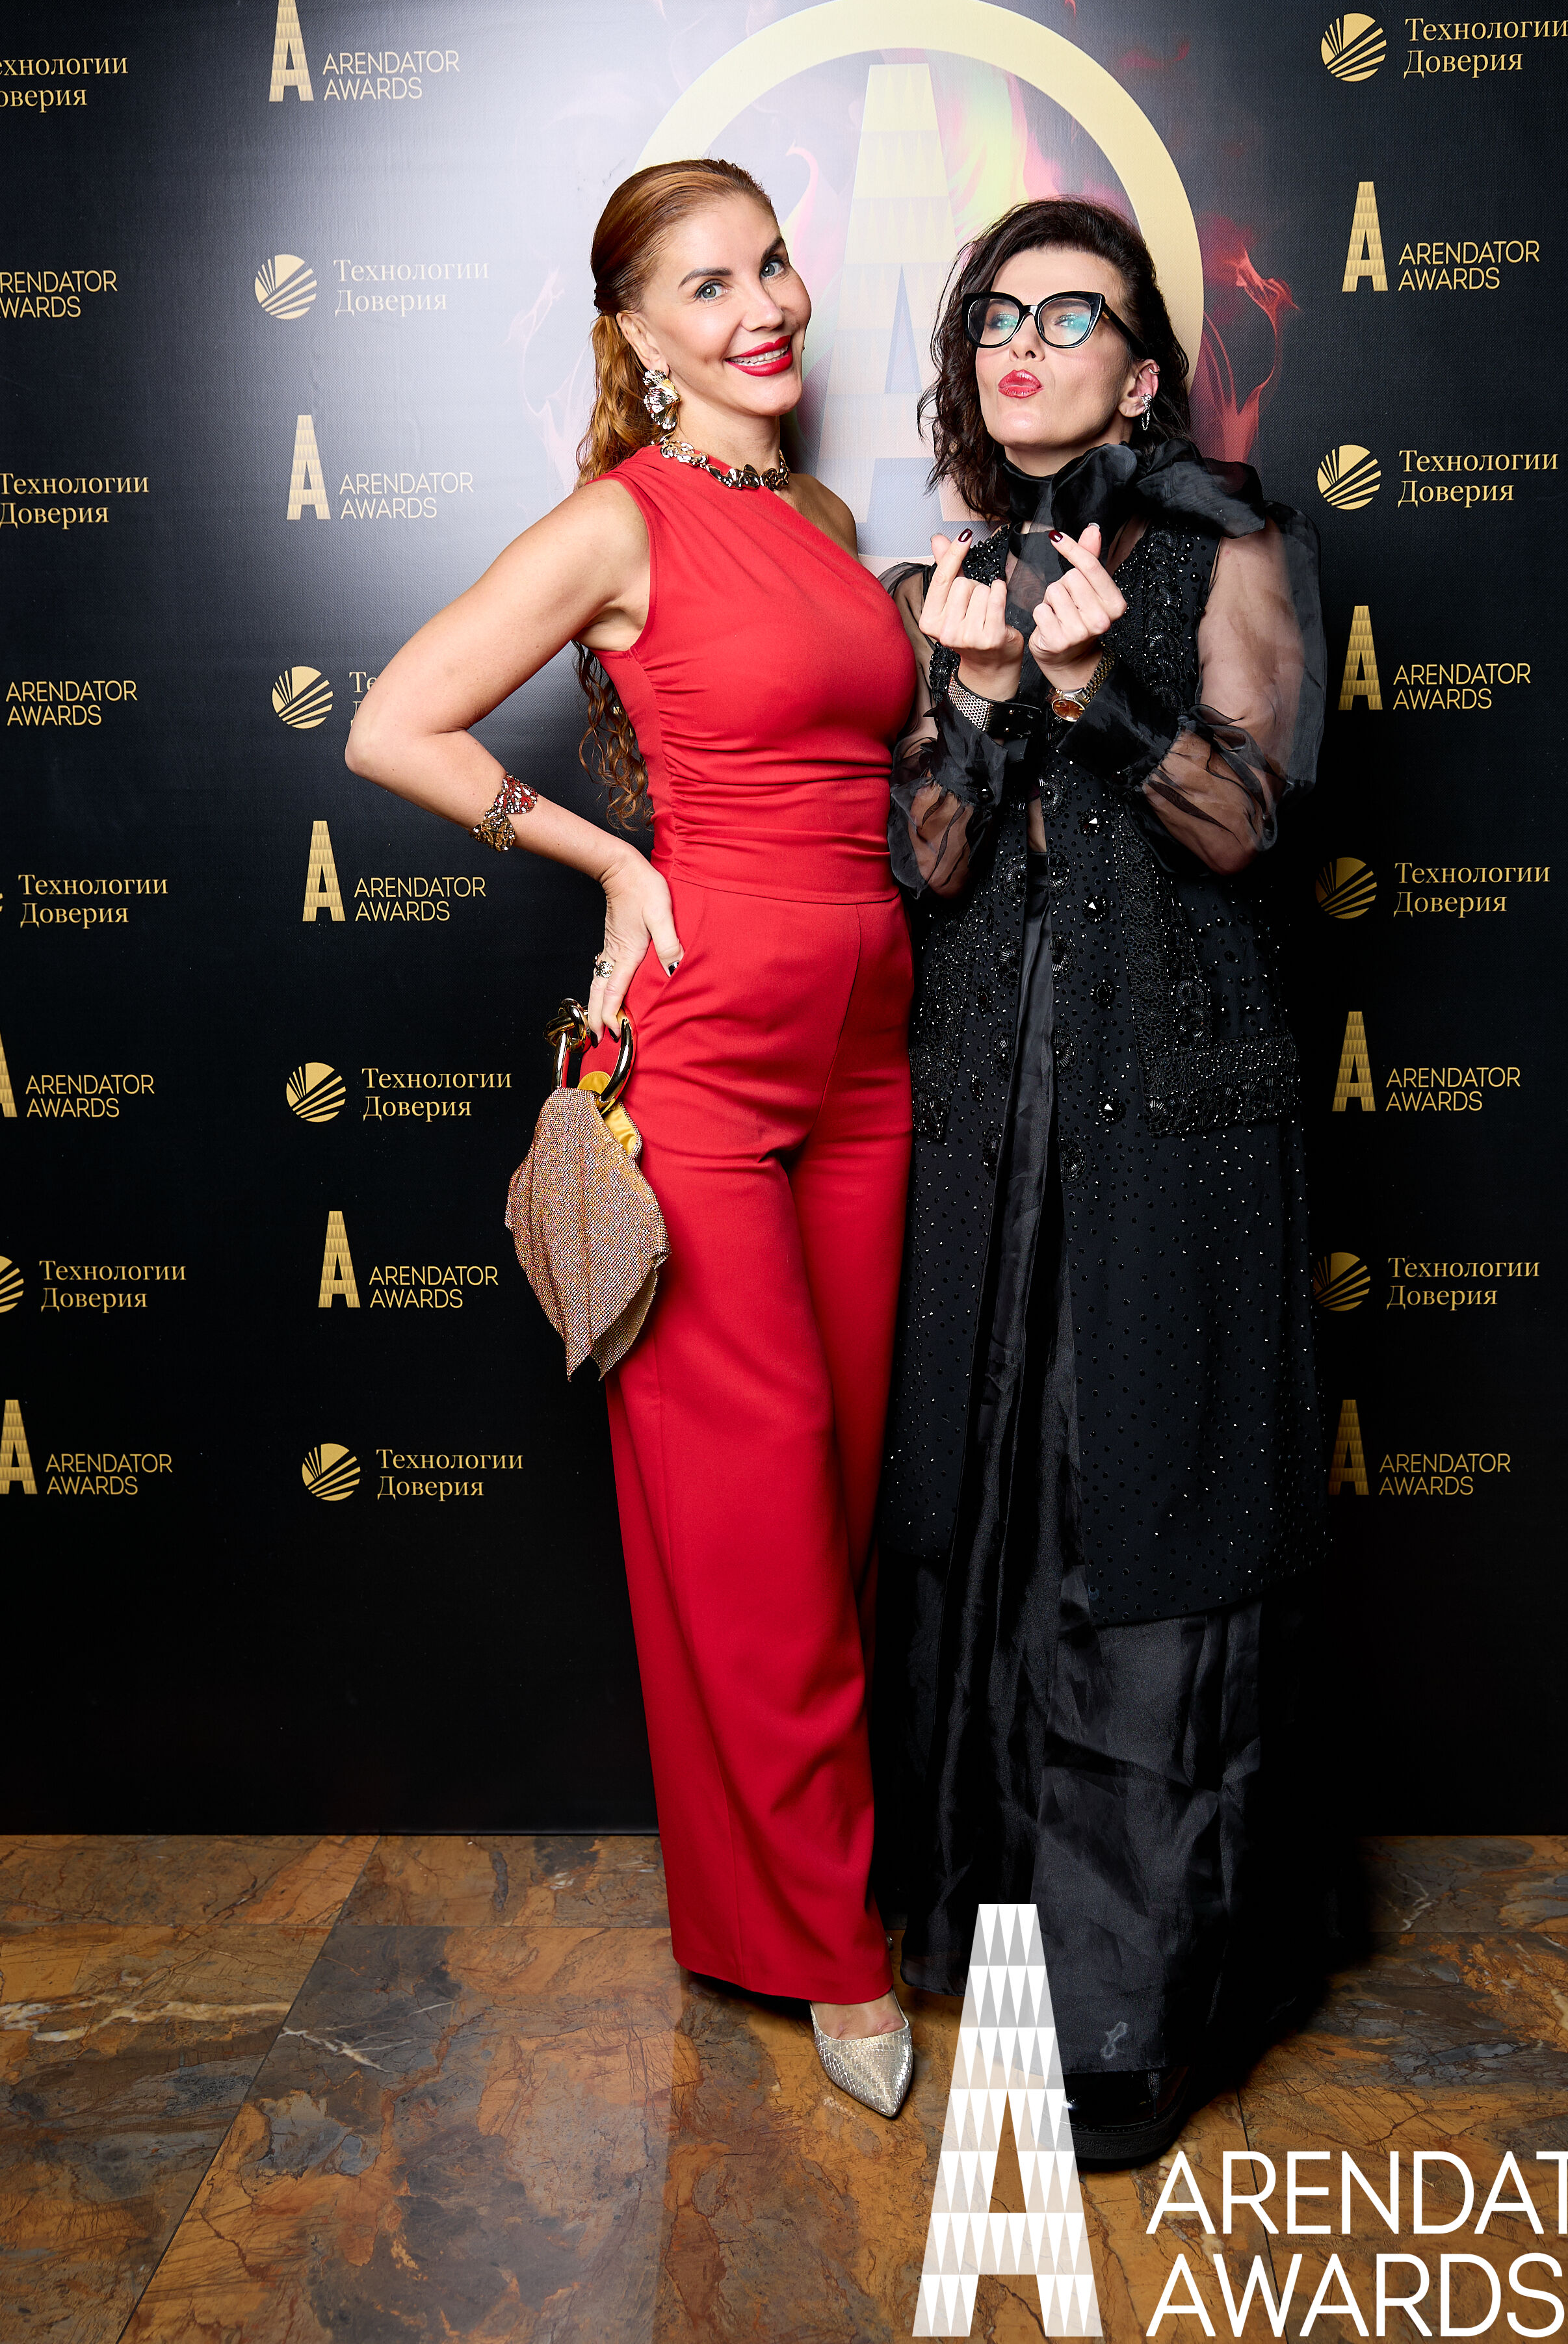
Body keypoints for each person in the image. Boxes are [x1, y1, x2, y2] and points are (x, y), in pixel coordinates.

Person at [345, 157, 915, 2118]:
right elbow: (394, 724)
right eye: (711, 285)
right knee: (754, 1516)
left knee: (834, 1510)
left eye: (774, 265)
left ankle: (778, 1898)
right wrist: (608, 864)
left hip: (875, 1059)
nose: (766, 308)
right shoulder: (620, 521)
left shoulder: (822, 523)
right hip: (710, 1057)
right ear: (641, 335)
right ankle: (837, 1956)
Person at [874, 195, 1327, 2168]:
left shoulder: (1233, 543)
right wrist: (977, 703)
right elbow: (929, 866)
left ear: (1142, 375)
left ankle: (1134, 2006)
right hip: (992, 1108)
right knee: (996, 1495)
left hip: (1175, 1101)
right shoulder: (948, 582)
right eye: (997, 316)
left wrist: (1092, 690)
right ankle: (999, 1944)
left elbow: (1246, 821)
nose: (1025, 343)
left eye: (1072, 318)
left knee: (1142, 1511)